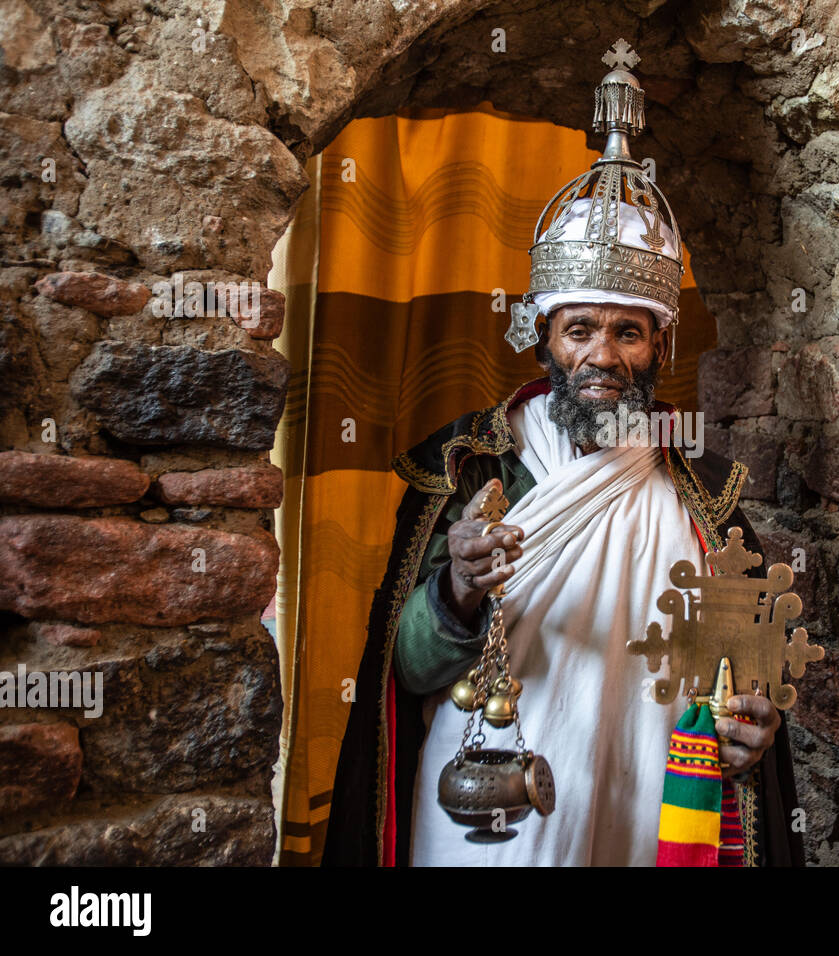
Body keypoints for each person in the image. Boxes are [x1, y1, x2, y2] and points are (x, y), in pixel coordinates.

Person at [323, 56, 805, 867]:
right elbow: (403, 671)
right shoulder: (470, 469)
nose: (603, 356)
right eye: (579, 329)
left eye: (628, 332)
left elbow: (746, 680)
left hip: (649, 794)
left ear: (660, 346)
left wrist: (757, 721)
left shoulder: (705, 498)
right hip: (489, 803)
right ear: (542, 337)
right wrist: (456, 592)